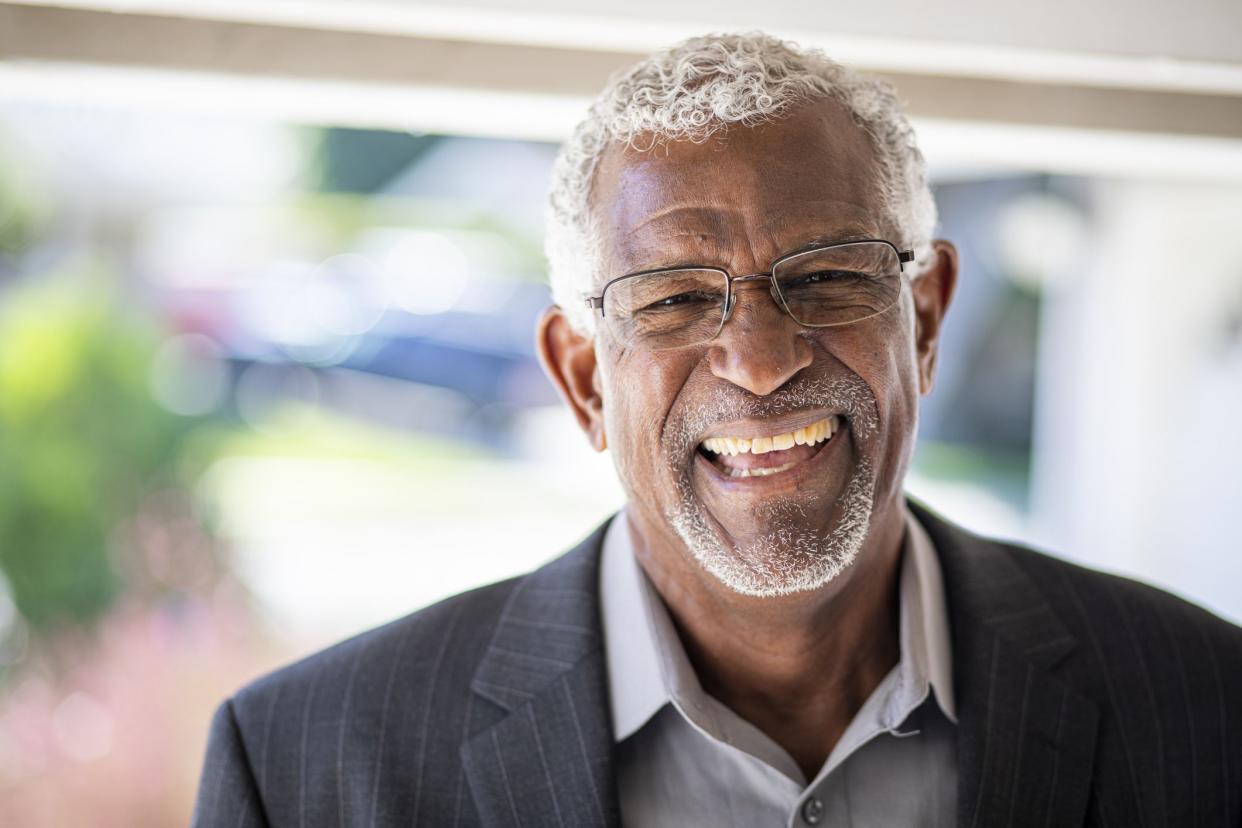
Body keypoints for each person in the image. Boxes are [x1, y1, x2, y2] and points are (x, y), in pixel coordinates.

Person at [193, 32, 1242, 827]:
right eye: (673, 299)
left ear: (924, 320)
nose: (761, 358)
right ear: (584, 380)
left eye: (828, 277)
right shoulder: (303, 770)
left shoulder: (1208, 713)